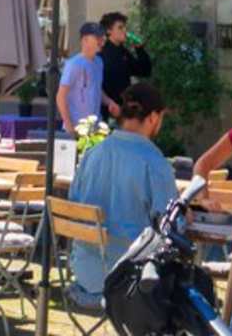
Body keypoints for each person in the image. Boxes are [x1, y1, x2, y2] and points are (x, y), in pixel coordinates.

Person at [67, 83, 179, 307]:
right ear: (153, 117)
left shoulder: (92, 154)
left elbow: (73, 206)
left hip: (85, 272)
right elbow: (171, 226)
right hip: (131, 280)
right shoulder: (155, 162)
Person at [98, 11, 153, 118]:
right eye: (120, 27)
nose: (124, 31)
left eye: (125, 27)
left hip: (124, 109)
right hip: (107, 110)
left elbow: (145, 71)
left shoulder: (123, 52)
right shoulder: (101, 52)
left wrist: (139, 49)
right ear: (109, 30)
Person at [56, 22, 107, 134]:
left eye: (103, 37)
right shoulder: (74, 64)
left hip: (95, 128)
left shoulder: (99, 62)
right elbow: (60, 97)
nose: (102, 41)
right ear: (84, 40)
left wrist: (110, 102)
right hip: (77, 128)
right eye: (97, 37)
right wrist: (69, 127)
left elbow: (96, 88)